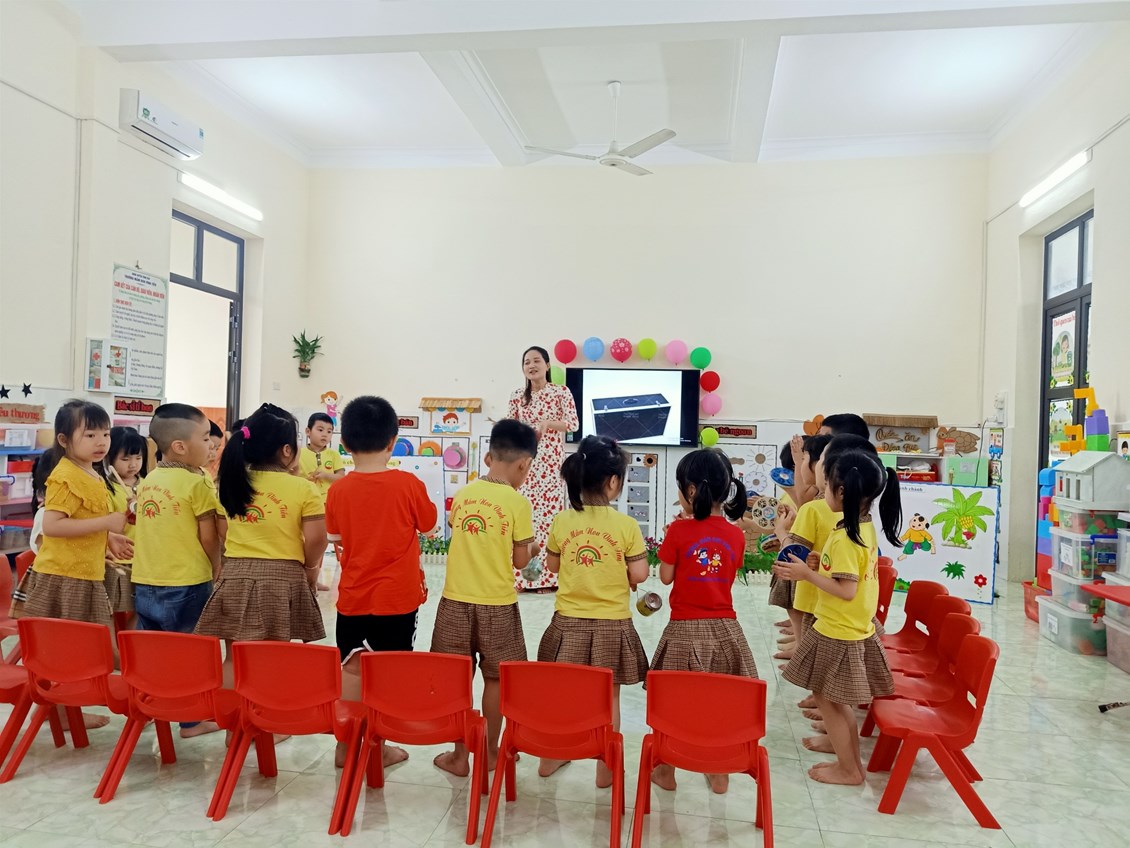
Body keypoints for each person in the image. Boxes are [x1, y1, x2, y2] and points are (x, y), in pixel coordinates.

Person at [774, 440, 902, 786]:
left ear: (841, 490)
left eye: (827, 484)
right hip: (847, 625)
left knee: (829, 700)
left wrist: (806, 574)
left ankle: (849, 769)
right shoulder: (862, 527)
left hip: (838, 628)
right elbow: (848, 574)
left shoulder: (847, 537)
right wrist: (819, 564)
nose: (824, 490)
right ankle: (850, 762)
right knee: (833, 699)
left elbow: (847, 590)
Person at [327, 396, 438, 769]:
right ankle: (379, 745)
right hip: (398, 599)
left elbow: (336, 535)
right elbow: (429, 525)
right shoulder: (408, 484)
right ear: (393, 441)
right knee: (388, 671)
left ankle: (345, 746)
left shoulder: (338, 490)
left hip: (353, 596)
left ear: (345, 443)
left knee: (351, 667)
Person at [536, 435, 649, 788]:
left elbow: (553, 566)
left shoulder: (562, 521)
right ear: (613, 482)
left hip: (567, 623)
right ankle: (607, 767)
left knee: (561, 695)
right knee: (609, 697)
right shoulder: (626, 526)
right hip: (612, 625)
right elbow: (640, 574)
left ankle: (550, 756)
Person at [430, 419, 539, 776]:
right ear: (524, 464)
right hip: (498, 604)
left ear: (489, 456)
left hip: (454, 601)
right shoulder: (517, 503)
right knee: (496, 679)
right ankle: (490, 753)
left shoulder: (464, 494)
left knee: (457, 678)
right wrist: (533, 548)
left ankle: (459, 756)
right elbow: (520, 561)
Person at [649, 448, 758, 795]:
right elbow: (728, 572)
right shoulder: (736, 535)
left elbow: (666, 577)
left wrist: (674, 539)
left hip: (684, 629)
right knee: (719, 701)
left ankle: (665, 771)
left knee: (673, 702)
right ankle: (719, 771)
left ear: (691, 490)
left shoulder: (678, 531)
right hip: (726, 629)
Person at [195, 404, 327, 654]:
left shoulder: (229, 484)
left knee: (235, 657)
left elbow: (224, 532)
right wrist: (311, 568)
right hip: (283, 578)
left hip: (235, 575)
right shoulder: (303, 488)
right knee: (272, 657)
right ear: (287, 450)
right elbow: (317, 539)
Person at [132, 404, 224, 738]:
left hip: (145, 581)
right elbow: (208, 535)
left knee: (156, 653)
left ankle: (154, 707)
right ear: (180, 446)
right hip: (186, 582)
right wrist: (217, 566)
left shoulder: (149, 480)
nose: (211, 445)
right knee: (190, 654)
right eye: (206, 438)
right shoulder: (198, 482)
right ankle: (191, 721)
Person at [12, 400, 128, 633]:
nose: (101, 442)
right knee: (71, 645)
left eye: (106, 434)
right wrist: (106, 522)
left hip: (85, 573)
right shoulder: (66, 477)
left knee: (88, 645)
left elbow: (81, 518)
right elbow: (52, 526)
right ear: (63, 440)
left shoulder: (91, 473)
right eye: (90, 435)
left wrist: (106, 537)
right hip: (65, 577)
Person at [507, 345, 579, 592]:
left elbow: (573, 423)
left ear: (547, 365)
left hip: (550, 466)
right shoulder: (517, 395)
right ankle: (520, 578)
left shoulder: (561, 392)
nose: (531, 366)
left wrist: (548, 423)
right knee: (523, 519)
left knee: (548, 521)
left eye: (536, 361)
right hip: (524, 466)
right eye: (527, 362)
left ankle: (547, 579)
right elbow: (511, 428)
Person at [771, 435, 833, 661]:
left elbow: (795, 550)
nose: (798, 465)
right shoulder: (822, 504)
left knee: (809, 621)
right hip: (820, 576)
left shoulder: (814, 507)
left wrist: (780, 532)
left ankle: (802, 655)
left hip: (812, 576)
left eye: (804, 458)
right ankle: (802, 651)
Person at [104, 426, 149, 626]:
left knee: (143, 608)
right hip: (118, 559)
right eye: (125, 459)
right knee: (110, 609)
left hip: (145, 558)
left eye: (138, 458)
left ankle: (128, 641)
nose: (133, 464)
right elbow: (109, 527)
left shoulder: (149, 484)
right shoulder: (106, 488)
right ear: (109, 457)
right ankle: (114, 643)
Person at [300, 412, 346, 499]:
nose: (325, 434)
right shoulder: (298, 453)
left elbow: (341, 478)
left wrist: (325, 475)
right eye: (320, 430)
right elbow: (291, 477)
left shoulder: (334, 454)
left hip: (329, 499)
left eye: (329, 431)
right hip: (305, 499)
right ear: (308, 431)